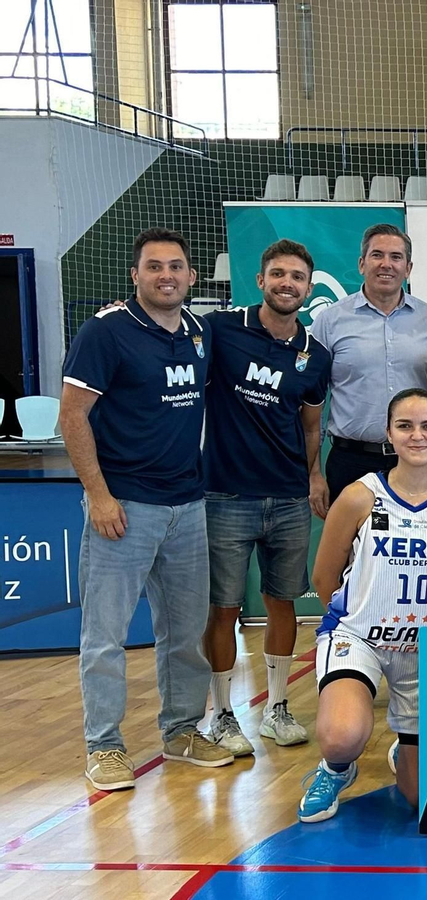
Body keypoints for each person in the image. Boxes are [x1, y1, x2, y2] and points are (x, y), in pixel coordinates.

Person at [61, 227, 235, 789]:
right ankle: (105, 746)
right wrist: (99, 494)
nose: (167, 275)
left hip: (188, 505)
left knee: (185, 632)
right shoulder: (105, 332)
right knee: (105, 636)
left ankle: (182, 731)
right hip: (124, 507)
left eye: (177, 267)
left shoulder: (198, 332)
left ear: (190, 276)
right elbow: (72, 416)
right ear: (135, 275)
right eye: (155, 267)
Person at [296, 389, 427, 822]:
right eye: (405, 426)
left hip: (425, 649)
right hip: (360, 637)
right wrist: (357, 618)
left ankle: (408, 742)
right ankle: (336, 769)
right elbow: (325, 575)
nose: (417, 436)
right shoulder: (361, 496)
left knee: (423, 801)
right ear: (389, 433)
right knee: (342, 735)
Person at [200, 240, 333, 757]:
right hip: (225, 496)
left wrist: (312, 476)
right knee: (225, 610)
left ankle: (277, 708)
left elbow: (311, 426)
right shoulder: (220, 329)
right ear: (261, 280)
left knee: (283, 606)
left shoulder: (315, 356)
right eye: (278, 274)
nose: (287, 284)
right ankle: (223, 715)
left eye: (297, 277)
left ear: (308, 286)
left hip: (287, 499)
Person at [310, 224, 427, 500]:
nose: (386, 264)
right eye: (377, 255)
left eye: (396, 257)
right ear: (362, 264)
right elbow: (310, 406)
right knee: (349, 544)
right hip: (351, 462)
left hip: (418, 459)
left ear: (408, 268)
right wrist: (313, 473)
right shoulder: (329, 321)